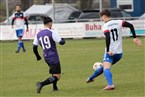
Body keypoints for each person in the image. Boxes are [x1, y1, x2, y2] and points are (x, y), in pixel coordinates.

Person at [86, 9, 142, 90]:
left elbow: (108, 37)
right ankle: (90, 78)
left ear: (104, 16)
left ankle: (110, 85)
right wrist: (135, 38)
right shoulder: (119, 22)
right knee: (105, 66)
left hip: (110, 52)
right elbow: (130, 25)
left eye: (102, 18)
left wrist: (108, 50)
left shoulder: (105, 26)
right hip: (119, 53)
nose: (102, 20)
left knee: (106, 68)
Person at [33, 16, 65, 93]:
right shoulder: (52, 32)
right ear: (50, 23)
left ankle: (55, 87)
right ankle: (41, 84)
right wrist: (63, 40)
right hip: (53, 57)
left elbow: (34, 47)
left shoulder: (38, 34)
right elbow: (61, 42)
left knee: (53, 72)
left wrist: (38, 56)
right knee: (57, 76)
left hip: (46, 57)